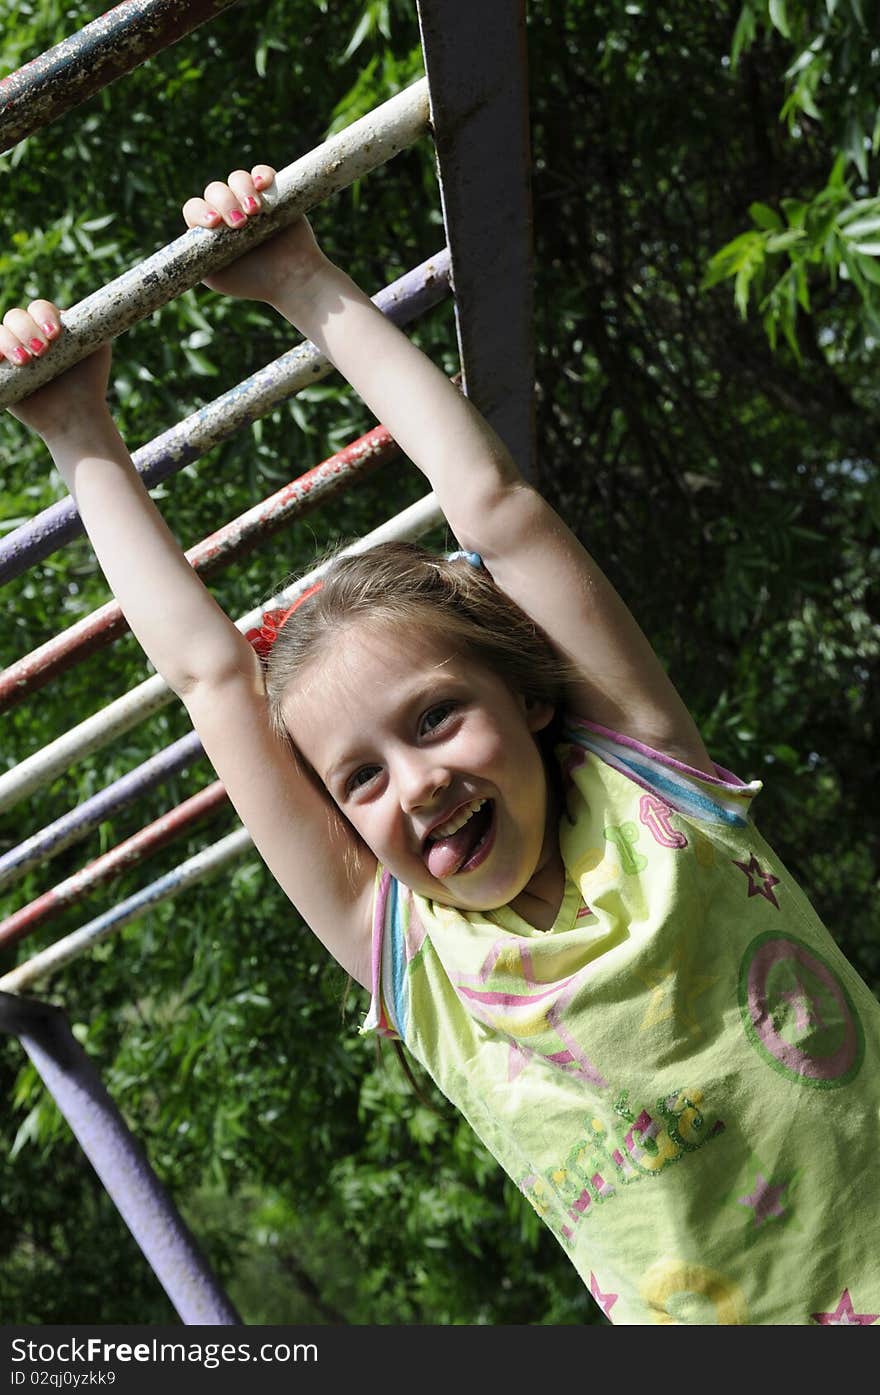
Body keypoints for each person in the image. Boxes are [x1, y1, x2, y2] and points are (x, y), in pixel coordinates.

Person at [4, 164, 879, 1327]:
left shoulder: (651, 784)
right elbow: (210, 679)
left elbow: (494, 506)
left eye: (435, 718)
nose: (416, 784)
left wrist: (300, 278)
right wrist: (75, 432)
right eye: (358, 777)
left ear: (527, 701)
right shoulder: (409, 953)